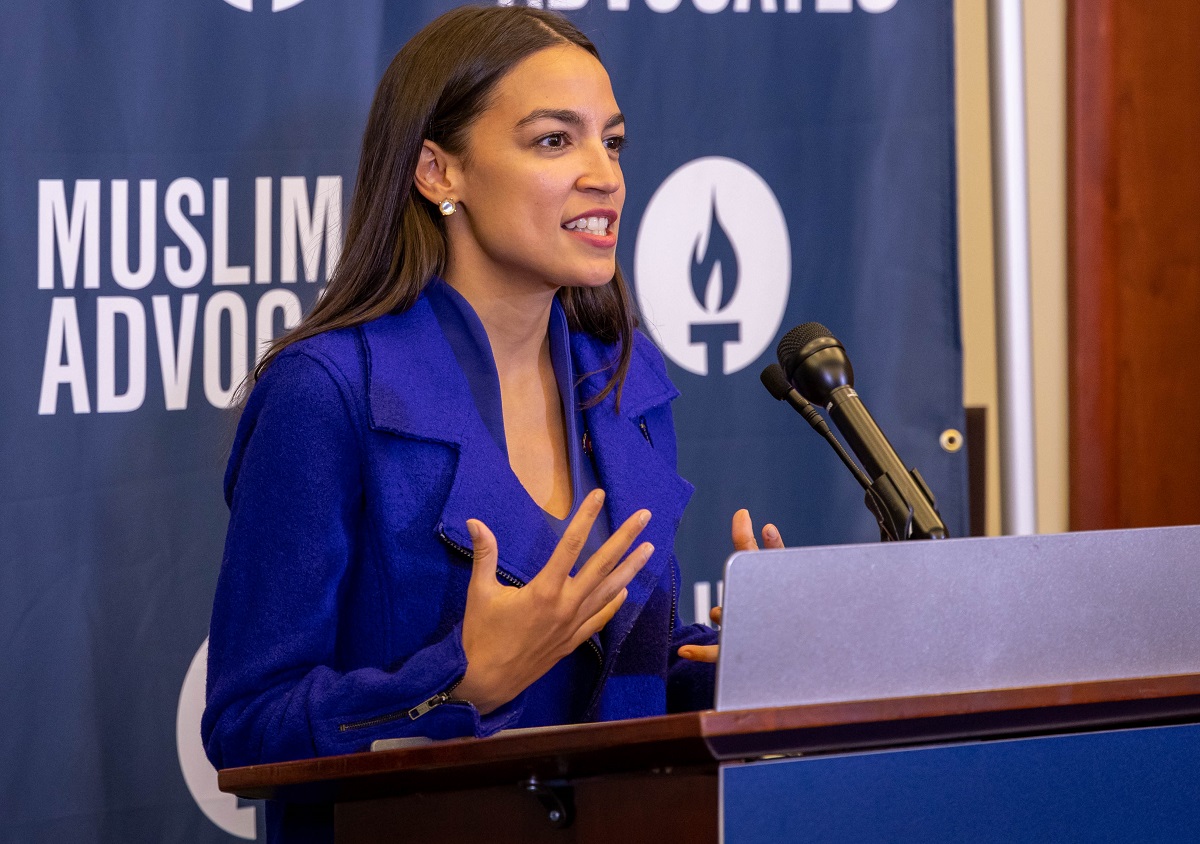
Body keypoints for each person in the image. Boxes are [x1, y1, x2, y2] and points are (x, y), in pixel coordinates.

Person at [202, 5, 782, 840]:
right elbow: (245, 725)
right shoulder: (325, 391)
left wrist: (734, 667)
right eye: (555, 141)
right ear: (439, 172)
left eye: (611, 142)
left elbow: (616, 673)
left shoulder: (624, 377)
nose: (605, 175)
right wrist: (457, 683)